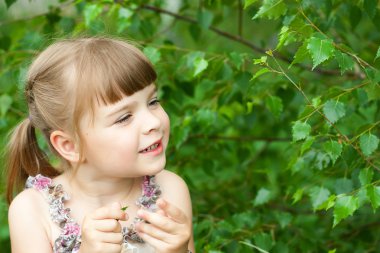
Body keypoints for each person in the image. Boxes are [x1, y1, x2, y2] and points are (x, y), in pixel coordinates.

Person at [6, 37, 194, 253]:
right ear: (70, 145)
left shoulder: (169, 191)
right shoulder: (32, 211)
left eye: (152, 102)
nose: (153, 122)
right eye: (124, 118)